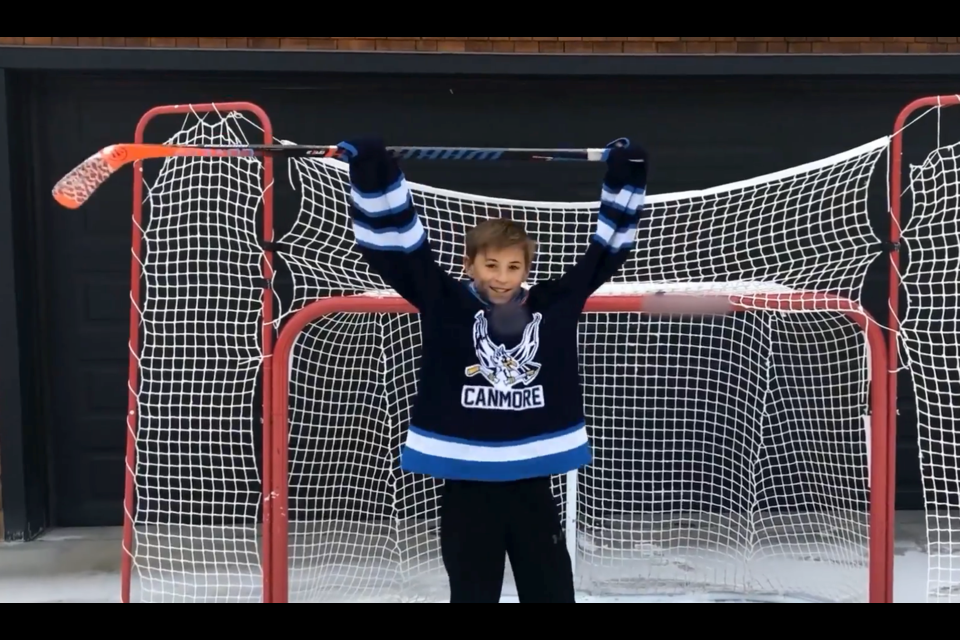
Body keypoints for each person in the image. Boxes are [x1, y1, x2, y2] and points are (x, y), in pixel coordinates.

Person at [336, 137, 648, 603]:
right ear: (471, 264)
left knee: (550, 591)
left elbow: (606, 250)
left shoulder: (552, 304)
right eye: (492, 264)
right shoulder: (445, 302)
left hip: (531, 484)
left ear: (527, 270)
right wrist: (374, 170)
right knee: (472, 592)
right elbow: (400, 250)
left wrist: (629, 172)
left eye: (514, 266)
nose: (502, 276)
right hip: (467, 485)